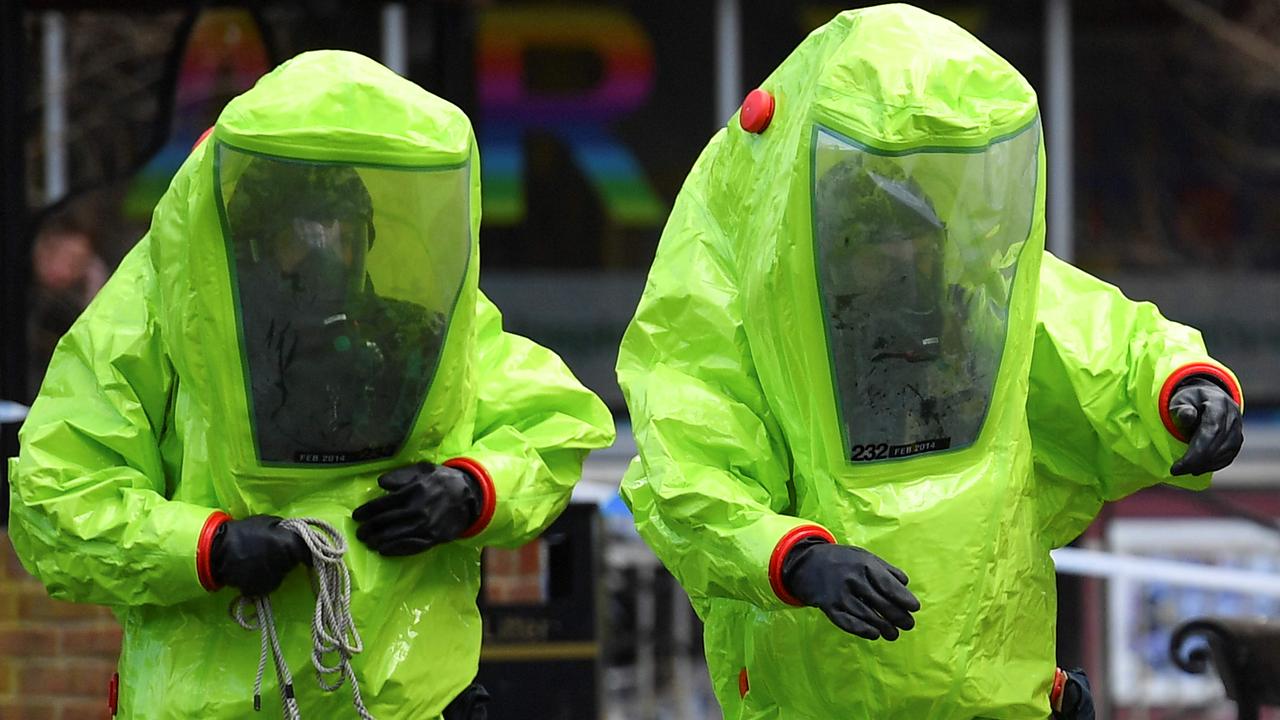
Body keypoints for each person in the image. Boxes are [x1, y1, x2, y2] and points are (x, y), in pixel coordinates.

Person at [616, 6, 1243, 720]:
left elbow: (1094, 342)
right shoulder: (746, 306)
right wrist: (794, 560)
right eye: (869, 230)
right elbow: (686, 473)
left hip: (1000, 693)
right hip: (823, 697)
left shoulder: (966, 301)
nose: (900, 253)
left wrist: (1181, 388)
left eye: (910, 229)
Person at [7, 50, 614, 719]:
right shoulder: (156, 324)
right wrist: (208, 548)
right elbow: (55, 500)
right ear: (249, 239)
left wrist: (471, 489)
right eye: (304, 234)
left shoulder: (415, 337)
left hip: (402, 700)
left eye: (344, 234)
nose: (328, 255)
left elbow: (553, 423)